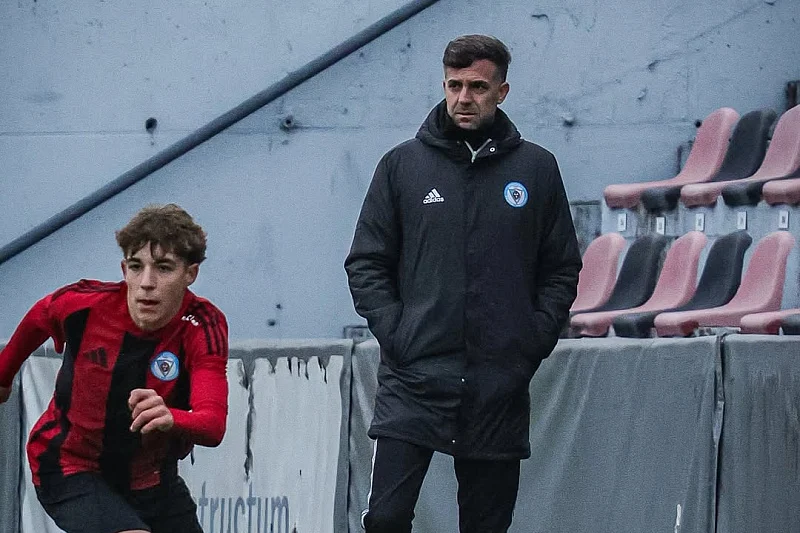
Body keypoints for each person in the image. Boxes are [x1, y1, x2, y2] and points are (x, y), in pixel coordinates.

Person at [344, 35, 582, 532]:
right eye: (454, 85)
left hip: (498, 385)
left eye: (477, 87)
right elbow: (366, 261)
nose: (463, 98)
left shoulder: (536, 168)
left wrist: (529, 342)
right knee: (385, 518)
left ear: (502, 91)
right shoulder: (402, 166)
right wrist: (400, 335)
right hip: (414, 378)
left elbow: (561, 268)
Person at [0, 204, 229, 533]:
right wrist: (4, 375)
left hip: (152, 481)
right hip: (70, 466)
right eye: (136, 267)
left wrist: (172, 417)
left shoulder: (203, 324)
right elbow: (41, 315)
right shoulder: (84, 305)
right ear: (124, 269)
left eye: (164, 268)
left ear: (190, 274)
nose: (146, 282)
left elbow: (213, 425)